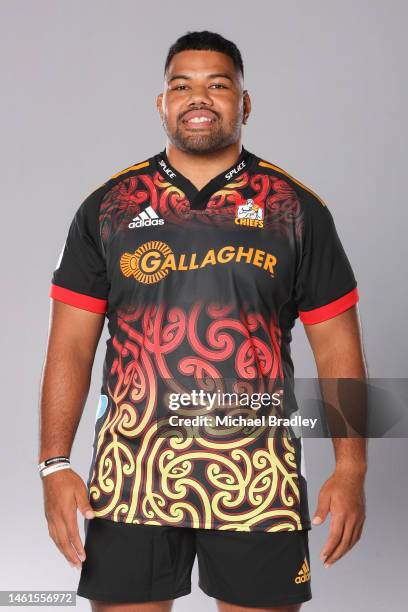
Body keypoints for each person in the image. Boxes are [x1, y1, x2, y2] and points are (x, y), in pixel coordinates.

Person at [39, 30, 367, 612]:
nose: (199, 97)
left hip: (257, 478)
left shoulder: (295, 208)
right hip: (131, 479)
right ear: (161, 104)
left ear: (244, 102)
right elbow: (68, 348)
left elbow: (339, 349)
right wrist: (55, 465)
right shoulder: (108, 207)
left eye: (218, 85)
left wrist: (351, 468)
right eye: (181, 86)